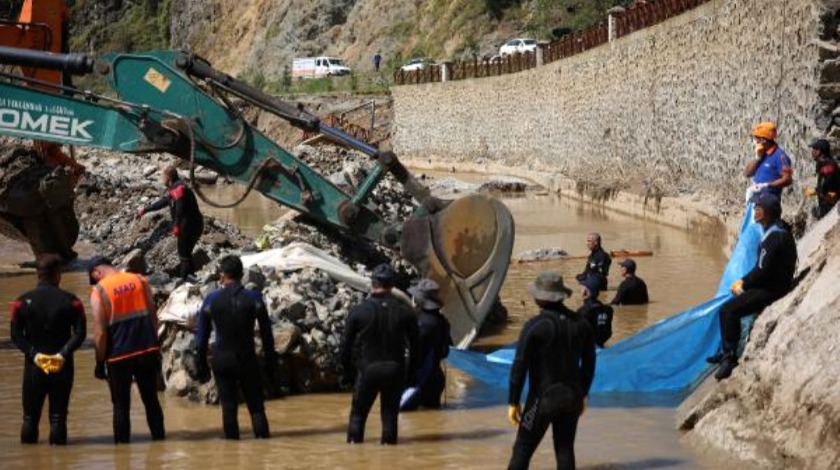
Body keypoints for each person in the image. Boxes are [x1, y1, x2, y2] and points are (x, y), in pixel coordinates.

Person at [508, 272, 596, 470]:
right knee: (565, 450)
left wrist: (513, 401)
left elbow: (519, 367)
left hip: (542, 399)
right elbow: (590, 363)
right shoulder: (582, 324)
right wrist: (583, 394)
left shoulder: (535, 326)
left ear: (540, 297)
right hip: (572, 396)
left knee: (522, 449)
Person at [707, 193, 797, 380]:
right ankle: (726, 351)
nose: (754, 212)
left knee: (728, 311)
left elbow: (761, 271)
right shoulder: (778, 230)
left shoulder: (774, 237)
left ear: (769, 213)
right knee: (730, 307)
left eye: (758, 209)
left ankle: (730, 358)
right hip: (774, 283)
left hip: (772, 289)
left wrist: (744, 283)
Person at [194, 255, 275, 440]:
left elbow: (201, 338)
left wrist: (201, 365)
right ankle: (263, 450)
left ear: (222, 275)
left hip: (222, 360)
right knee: (256, 408)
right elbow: (267, 334)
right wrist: (270, 363)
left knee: (229, 409)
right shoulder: (254, 298)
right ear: (242, 274)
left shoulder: (210, 300)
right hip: (247, 359)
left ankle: (232, 454)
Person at [11, 254, 86, 445]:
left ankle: (29, 461)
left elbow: (16, 336)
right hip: (62, 365)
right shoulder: (72, 301)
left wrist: (34, 355)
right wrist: (63, 353)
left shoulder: (21, 302)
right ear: (57, 274)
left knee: (30, 418)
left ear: (38, 274)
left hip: (34, 367)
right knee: (58, 418)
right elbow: (80, 334)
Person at [89, 256, 165, 443]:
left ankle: (122, 456)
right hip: (146, 349)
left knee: (121, 407)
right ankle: (160, 446)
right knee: (151, 401)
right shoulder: (140, 280)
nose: (95, 282)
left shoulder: (99, 291)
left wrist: (99, 361)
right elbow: (153, 317)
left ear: (97, 272)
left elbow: (100, 333)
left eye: (94, 278)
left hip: (117, 356)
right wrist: (155, 345)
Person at [341, 263, 418, 444]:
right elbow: (417, 346)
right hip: (395, 370)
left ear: (372, 283)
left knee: (358, 415)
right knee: (390, 416)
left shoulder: (359, 311)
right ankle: (389, 457)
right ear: (392, 285)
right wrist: (411, 373)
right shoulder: (405, 313)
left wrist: (348, 373)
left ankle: (354, 455)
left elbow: (345, 346)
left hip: (368, 370)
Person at [137, 166, 204, 280]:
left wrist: (176, 225)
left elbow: (180, 209)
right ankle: (191, 278)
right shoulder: (176, 187)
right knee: (186, 254)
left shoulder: (179, 189)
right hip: (192, 224)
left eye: (162, 176)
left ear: (168, 177)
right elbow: (164, 202)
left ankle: (185, 281)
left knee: (183, 255)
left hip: (189, 225)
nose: (161, 179)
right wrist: (146, 209)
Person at [401, 278, 452, 411]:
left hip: (420, 381)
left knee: (411, 423)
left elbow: (415, 356)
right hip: (436, 379)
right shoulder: (442, 322)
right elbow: (445, 351)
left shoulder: (421, 324)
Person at [744, 121, 793, 203]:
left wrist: (767, 185)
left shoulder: (780, 156)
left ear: (763, 140)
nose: (755, 141)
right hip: (756, 198)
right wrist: (757, 158)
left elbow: (788, 179)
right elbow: (747, 173)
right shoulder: (761, 154)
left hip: (769, 201)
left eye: (756, 138)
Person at [804, 138, 840, 219]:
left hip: (832, 205)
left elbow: (827, 185)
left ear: (819, 151)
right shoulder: (824, 164)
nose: (812, 152)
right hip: (827, 203)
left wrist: (816, 191)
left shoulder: (828, 166)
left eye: (814, 149)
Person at [577, 276, 614, 348]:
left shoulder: (582, 311)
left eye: (582, 287)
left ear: (585, 292)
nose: (580, 290)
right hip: (601, 345)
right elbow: (608, 333)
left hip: (587, 349)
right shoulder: (608, 309)